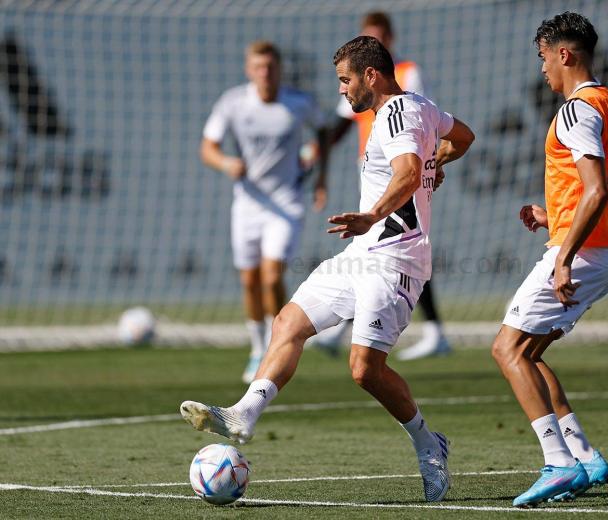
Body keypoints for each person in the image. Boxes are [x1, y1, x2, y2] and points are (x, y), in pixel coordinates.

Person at [180, 36, 474, 502]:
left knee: (365, 370)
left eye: (345, 79)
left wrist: (374, 214)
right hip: (362, 254)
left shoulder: (397, 115)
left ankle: (428, 443)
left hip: (394, 260)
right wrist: (442, 160)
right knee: (289, 322)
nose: (341, 90)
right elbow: (464, 137)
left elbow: (407, 173)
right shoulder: (420, 107)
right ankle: (244, 415)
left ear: (370, 76)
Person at [490, 12, 608, 507]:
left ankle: (558, 464)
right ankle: (585, 456)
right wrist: (553, 215)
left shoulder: (575, 110)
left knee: (506, 350)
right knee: (529, 353)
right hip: (605, 252)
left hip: (584, 254)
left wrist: (564, 256)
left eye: (542, 57)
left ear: (563, 53)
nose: (542, 69)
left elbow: (597, 191)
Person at [313, 11, 451, 360]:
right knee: (375, 252)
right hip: (372, 166)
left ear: (388, 40)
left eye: (377, 37)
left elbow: (419, 119)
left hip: (400, 167)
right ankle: (349, 327)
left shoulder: (406, 74)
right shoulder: (357, 80)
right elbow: (342, 125)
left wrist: (432, 162)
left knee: (398, 248)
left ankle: (431, 331)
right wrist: (313, 155)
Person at [201, 41, 330, 384]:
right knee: (249, 279)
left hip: (286, 203)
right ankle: (258, 347)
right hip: (248, 204)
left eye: (271, 67)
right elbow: (208, 147)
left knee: (272, 277)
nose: (265, 73)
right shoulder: (233, 102)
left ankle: (280, 342)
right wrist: (226, 162)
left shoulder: (298, 104)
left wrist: (320, 174)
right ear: (249, 70)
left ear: (279, 70)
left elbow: (325, 131)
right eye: (258, 67)